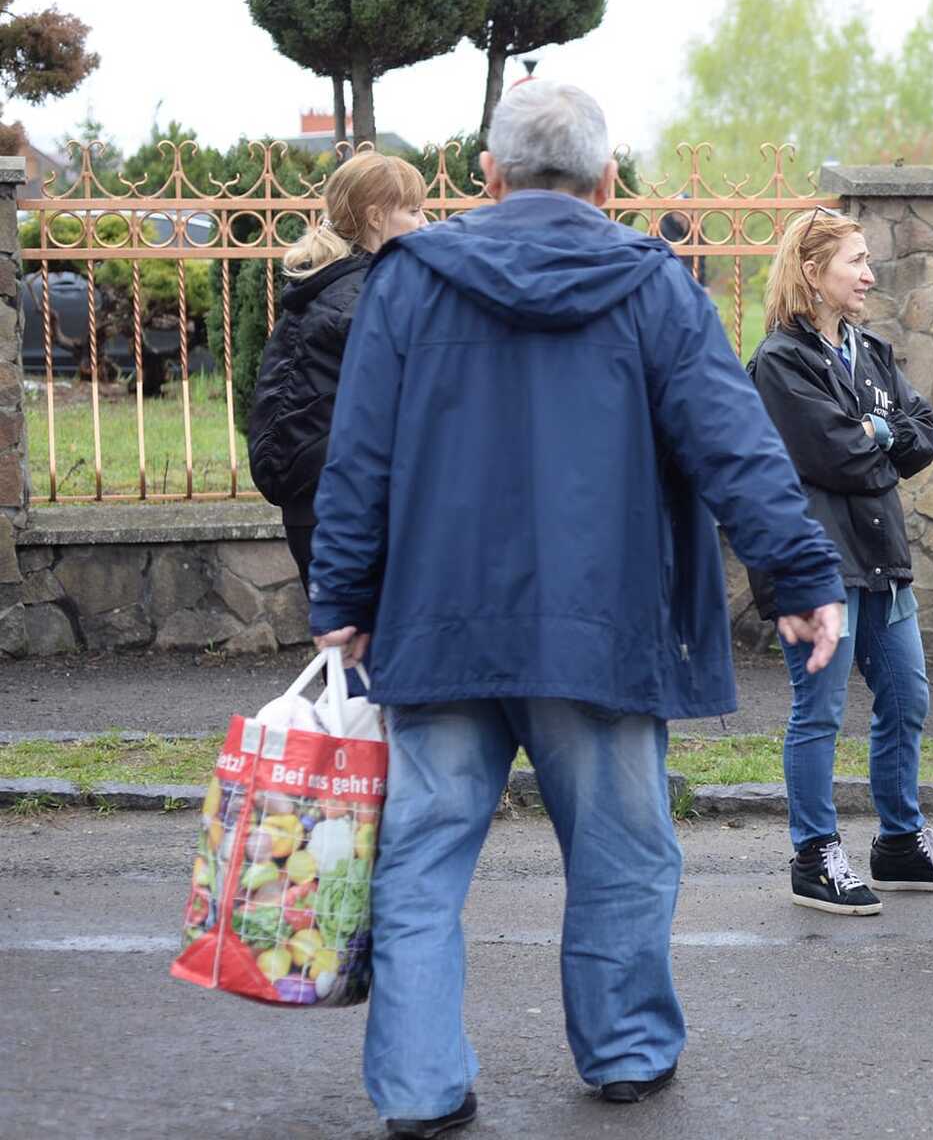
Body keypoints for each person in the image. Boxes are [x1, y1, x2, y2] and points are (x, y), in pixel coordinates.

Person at [307, 81, 846, 1136]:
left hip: (437, 623)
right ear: (607, 182)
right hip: (596, 632)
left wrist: (341, 595)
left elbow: (356, 456)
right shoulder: (652, 284)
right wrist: (801, 575)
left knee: (418, 860)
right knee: (623, 854)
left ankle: (418, 1089)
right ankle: (626, 1050)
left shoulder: (407, 281)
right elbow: (731, 440)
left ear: (488, 178)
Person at [746, 206, 933, 915]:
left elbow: (926, 434)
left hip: (880, 557)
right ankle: (814, 854)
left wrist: (875, 432)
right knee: (819, 713)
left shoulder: (869, 351)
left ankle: (899, 844)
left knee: (908, 698)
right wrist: (880, 436)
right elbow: (838, 456)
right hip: (814, 566)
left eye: (870, 260)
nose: (870, 274)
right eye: (856, 261)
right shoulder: (780, 361)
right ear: (813, 272)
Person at [248, 152, 425, 593]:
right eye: (414, 210)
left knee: (351, 654)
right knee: (364, 650)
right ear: (375, 218)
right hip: (339, 505)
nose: (425, 223)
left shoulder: (337, 284)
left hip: (320, 499)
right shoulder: (362, 299)